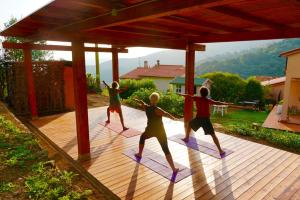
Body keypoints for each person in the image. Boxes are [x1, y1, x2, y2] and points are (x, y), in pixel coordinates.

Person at [133, 92, 179, 174]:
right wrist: (173, 118)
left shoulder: (146, 107)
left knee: (142, 137)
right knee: (165, 149)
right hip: (160, 131)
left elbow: (142, 103)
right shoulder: (157, 109)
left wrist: (137, 100)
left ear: (150, 99)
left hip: (150, 130)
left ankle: (140, 154)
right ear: (157, 100)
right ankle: (174, 169)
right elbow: (166, 114)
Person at [181, 86, 231, 157]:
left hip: (199, 119)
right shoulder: (207, 100)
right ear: (207, 94)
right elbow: (217, 102)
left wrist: (181, 94)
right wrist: (226, 103)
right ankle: (220, 150)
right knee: (213, 135)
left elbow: (188, 96)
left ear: (200, 93)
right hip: (205, 120)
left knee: (190, 124)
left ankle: (186, 138)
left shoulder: (197, 98)